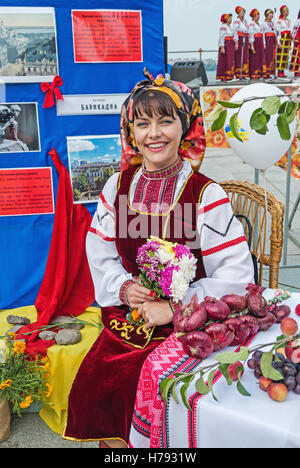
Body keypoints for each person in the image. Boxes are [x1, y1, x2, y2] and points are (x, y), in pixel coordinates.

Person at [63, 70, 254, 448]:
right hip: (129, 313)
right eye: (142, 122)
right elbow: (99, 249)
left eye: (166, 121)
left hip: (189, 322)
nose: (154, 134)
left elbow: (234, 273)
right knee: (100, 377)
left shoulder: (206, 195)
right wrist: (124, 286)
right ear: (130, 131)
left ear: (185, 127)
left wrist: (176, 307)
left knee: (151, 382)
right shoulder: (116, 186)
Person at [249, 9, 267, 79]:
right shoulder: (251, 24)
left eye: (259, 15)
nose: (258, 16)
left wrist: (264, 43)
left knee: (261, 57)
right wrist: (252, 45)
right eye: (257, 15)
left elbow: (262, 34)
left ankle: (260, 73)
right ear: (253, 16)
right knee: (255, 58)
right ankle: (254, 73)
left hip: (260, 42)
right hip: (255, 42)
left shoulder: (259, 24)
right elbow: (251, 34)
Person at [216, 14, 235, 82]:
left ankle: (229, 75)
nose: (230, 19)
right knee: (224, 60)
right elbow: (221, 37)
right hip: (226, 44)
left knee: (230, 60)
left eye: (231, 18)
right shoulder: (223, 27)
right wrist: (222, 46)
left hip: (231, 44)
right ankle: (223, 76)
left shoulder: (230, 27)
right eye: (229, 18)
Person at [233, 6, 250, 79]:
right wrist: (236, 42)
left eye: (243, 12)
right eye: (241, 12)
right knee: (239, 56)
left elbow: (248, 31)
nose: (243, 14)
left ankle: (244, 73)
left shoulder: (245, 21)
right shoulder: (237, 21)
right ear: (238, 13)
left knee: (245, 56)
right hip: (240, 39)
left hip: (245, 38)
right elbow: (235, 31)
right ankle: (238, 74)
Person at [276, 5, 292, 78]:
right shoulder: (279, 21)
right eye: (285, 11)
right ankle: (280, 71)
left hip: (288, 39)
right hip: (282, 38)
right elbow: (278, 32)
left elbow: (289, 30)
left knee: (286, 56)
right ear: (282, 12)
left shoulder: (289, 20)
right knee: (281, 55)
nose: (287, 12)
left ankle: (283, 71)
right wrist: (278, 42)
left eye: (287, 11)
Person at [262, 9, 277, 78]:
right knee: (267, 56)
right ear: (266, 15)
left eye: (272, 14)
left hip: (272, 41)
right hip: (267, 40)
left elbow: (275, 32)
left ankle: (272, 72)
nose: (272, 15)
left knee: (272, 57)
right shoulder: (263, 24)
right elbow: (262, 34)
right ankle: (266, 72)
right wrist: (264, 43)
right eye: (270, 14)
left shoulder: (273, 23)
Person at [289, 9, 300, 78]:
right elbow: (294, 31)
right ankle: (297, 71)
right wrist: (293, 39)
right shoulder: (298, 20)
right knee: (297, 55)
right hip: (298, 40)